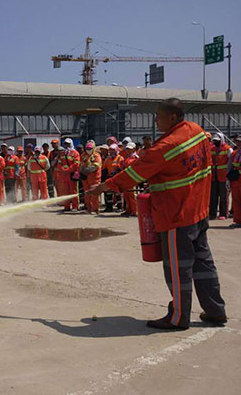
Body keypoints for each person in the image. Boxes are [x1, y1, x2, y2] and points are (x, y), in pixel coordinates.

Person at [87, 98, 227, 330]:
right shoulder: (198, 132)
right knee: (204, 264)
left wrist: (102, 187)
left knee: (177, 268)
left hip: (176, 215)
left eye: (158, 115)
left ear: (172, 117)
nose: (155, 120)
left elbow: (134, 172)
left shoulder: (167, 146)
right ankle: (215, 310)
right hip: (198, 211)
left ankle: (178, 318)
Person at [209, 132, 233, 220]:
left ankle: (223, 213)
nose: (216, 143)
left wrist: (228, 176)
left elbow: (230, 163)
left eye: (217, 141)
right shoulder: (211, 149)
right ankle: (212, 213)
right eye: (214, 141)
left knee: (223, 196)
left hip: (223, 176)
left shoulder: (227, 149)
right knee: (213, 196)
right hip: (214, 177)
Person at [55, 138, 80, 211]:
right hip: (64, 175)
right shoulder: (62, 153)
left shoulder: (75, 153)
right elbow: (59, 163)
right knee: (65, 191)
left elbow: (76, 164)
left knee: (73, 191)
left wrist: (68, 170)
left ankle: (75, 206)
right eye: (65, 144)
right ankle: (67, 206)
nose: (66, 145)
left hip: (72, 175)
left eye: (68, 144)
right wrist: (62, 170)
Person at [80, 141, 102, 214]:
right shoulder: (83, 155)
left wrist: (87, 170)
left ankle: (95, 209)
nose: (88, 150)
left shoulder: (96, 156)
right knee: (87, 194)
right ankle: (89, 208)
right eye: (87, 148)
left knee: (94, 194)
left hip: (94, 177)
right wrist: (82, 171)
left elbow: (96, 166)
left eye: (90, 148)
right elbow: (81, 164)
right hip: (86, 178)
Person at [119, 142, 139, 217]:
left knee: (132, 195)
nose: (127, 150)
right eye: (127, 149)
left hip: (132, 179)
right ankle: (128, 209)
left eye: (129, 149)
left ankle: (134, 211)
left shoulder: (135, 158)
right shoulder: (127, 157)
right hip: (126, 178)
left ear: (133, 149)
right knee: (126, 195)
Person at [228, 134, 241, 228]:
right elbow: (229, 166)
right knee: (236, 201)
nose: (238, 143)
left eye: (240, 141)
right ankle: (237, 220)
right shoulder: (234, 153)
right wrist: (227, 180)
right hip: (236, 180)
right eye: (237, 141)